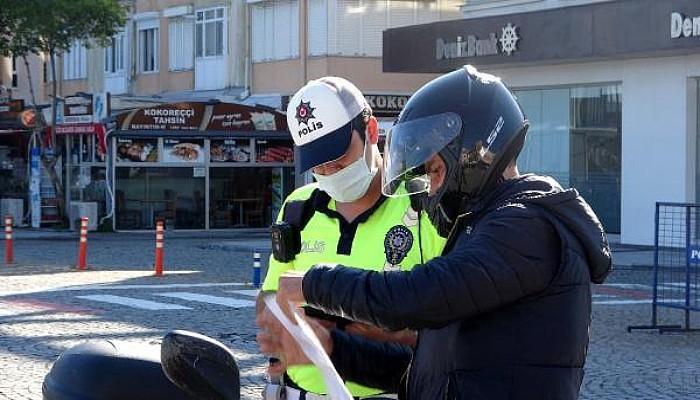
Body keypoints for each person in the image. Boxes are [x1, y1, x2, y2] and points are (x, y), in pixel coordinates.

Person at [274, 65, 613, 399]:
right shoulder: (483, 225)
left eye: (435, 170)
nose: (432, 188)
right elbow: (427, 372)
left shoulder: (527, 226)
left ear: (473, 152)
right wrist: (332, 348)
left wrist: (315, 282)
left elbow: (413, 297)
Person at [256, 76, 445, 399]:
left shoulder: (423, 204)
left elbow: (447, 329)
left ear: (372, 132)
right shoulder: (299, 207)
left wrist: (335, 335)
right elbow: (270, 297)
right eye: (318, 164)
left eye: (338, 159)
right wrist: (277, 324)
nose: (329, 173)